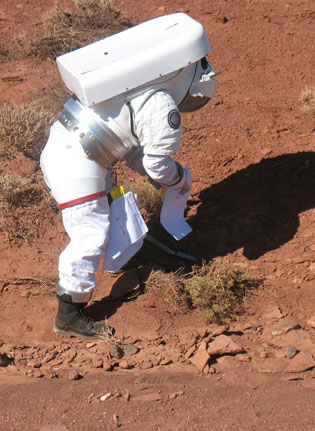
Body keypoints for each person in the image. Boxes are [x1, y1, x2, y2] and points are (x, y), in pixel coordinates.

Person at [39, 13, 217, 339]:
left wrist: (155, 176)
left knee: (104, 219)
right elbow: (156, 163)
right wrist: (178, 180)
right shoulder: (162, 103)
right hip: (78, 163)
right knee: (90, 234)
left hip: (73, 149)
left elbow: (130, 147)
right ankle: (69, 315)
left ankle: (113, 264)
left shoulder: (142, 87)